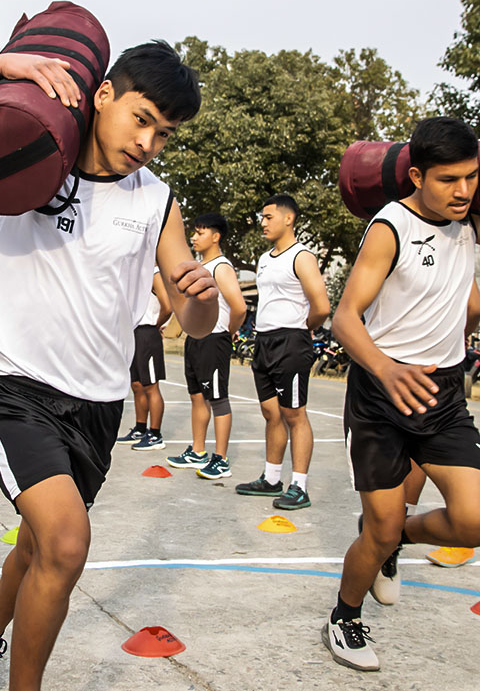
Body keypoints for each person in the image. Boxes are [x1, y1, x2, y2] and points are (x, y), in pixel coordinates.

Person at [0, 41, 218, 690]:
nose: (149, 140)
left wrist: (200, 300)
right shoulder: (26, 155)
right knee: (67, 545)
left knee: (39, 550)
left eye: (165, 132)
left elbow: (191, 315)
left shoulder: (156, 200)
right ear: (103, 96)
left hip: (98, 405)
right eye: (141, 118)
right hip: (16, 387)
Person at [322, 116, 480, 671]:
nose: (463, 190)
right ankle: (345, 616)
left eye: (472, 177)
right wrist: (385, 369)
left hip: (443, 394)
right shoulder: (390, 226)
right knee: (375, 527)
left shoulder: (471, 219)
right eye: (449, 180)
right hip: (382, 392)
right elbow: (344, 319)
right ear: (417, 175)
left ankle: (396, 537)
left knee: (476, 523)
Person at [371, 278, 480, 604]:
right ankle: (391, 536)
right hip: (420, 363)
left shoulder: (456, 236)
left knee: (414, 447)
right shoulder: (451, 235)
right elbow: (473, 308)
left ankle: (393, 537)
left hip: (411, 361)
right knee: (416, 448)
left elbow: (473, 306)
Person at [235, 194, 330, 509]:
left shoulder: (302, 256)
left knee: (294, 414)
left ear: (288, 219)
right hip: (264, 341)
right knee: (270, 413)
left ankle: (299, 486)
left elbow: (321, 306)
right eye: (261, 217)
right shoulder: (264, 259)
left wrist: (303, 327)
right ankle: (271, 478)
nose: (262, 222)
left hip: (291, 341)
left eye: (268, 217)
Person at [166, 213, 246, 479]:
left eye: (200, 233)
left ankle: (221, 459)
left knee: (218, 399)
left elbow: (239, 307)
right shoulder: (200, 267)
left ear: (216, 236)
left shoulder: (221, 267)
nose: (194, 237)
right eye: (194, 232)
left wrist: (229, 332)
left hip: (215, 339)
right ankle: (197, 452)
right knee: (197, 397)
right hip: (196, 340)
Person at [117, 267, 172, 450]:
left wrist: (156, 325)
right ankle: (140, 429)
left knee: (151, 386)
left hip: (148, 332)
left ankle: (155, 434)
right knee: (137, 385)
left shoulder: (154, 271)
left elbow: (167, 305)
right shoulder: (133, 270)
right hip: (133, 332)